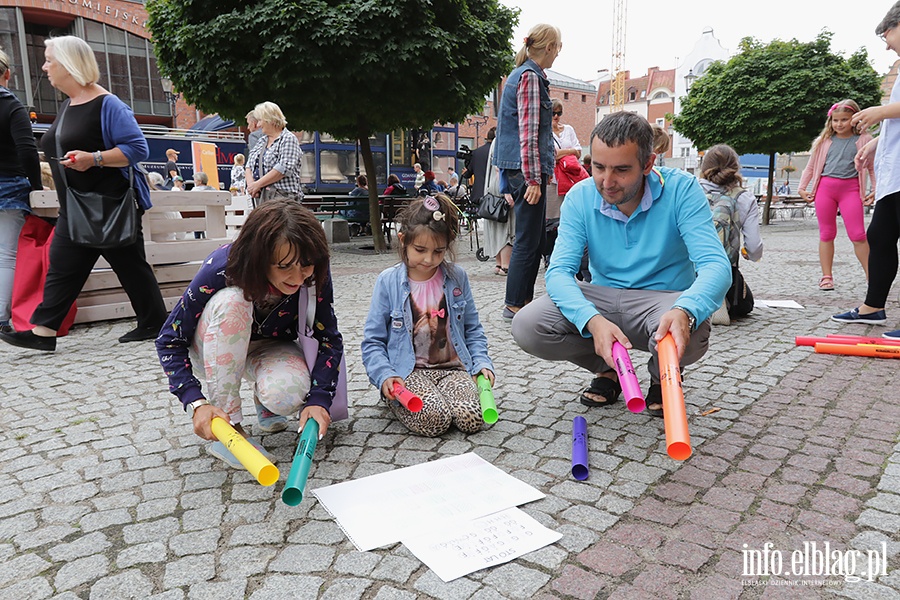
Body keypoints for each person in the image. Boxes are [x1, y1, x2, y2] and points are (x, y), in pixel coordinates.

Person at [511, 112, 730, 417]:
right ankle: (609, 369)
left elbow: (716, 265)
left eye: (622, 170)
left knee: (691, 333)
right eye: (598, 167)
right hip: (603, 298)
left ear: (649, 164)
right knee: (527, 325)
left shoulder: (682, 189)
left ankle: (661, 375)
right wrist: (592, 320)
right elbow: (559, 272)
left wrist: (686, 309)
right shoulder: (580, 196)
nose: (607, 181)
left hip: (663, 302)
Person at [0, 35, 167, 351]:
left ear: (68, 64)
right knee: (63, 266)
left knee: (131, 266)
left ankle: (154, 322)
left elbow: (137, 147)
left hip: (109, 204)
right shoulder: (67, 105)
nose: (45, 67)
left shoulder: (108, 104)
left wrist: (95, 159)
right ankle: (45, 331)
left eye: (50, 60)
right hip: (77, 205)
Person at [156, 199, 343, 466]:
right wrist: (195, 401)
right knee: (234, 302)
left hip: (268, 346)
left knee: (287, 392)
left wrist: (319, 399)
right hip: (214, 344)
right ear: (259, 258)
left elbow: (328, 339)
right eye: (284, 266)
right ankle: (230, 430)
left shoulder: (313, 275)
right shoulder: (222, 267)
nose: (298, 277)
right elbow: (170, 340)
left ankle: (265, 402)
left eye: (306, 264)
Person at [362, 193, 494, 436]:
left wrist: (482, 364)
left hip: (453, 369)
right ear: (403, 240)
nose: (429, 259)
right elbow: (373, 341)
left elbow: (473, 329)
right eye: (420, 249)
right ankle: (394, 403)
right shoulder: (389, 281)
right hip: (409, 372)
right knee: (434, 420)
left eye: (438, 251)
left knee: (472, 419)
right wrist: (385, 376)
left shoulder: (457, 277)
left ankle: (444, 398)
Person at [833, 2, 900, 337]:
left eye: (886, 34)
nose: (886, 43)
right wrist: (877, 142)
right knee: (880, 235)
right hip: (895, 172)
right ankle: (873, 307)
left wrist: (879, 111)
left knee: (881, 235)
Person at [493, 24, 561, 321]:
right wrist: (534, 178)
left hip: (519, 169)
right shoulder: (530, 78)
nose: (559, 52)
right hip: (527, 171)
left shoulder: (519, 75)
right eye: (559, 46)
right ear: (548, 47)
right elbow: (528, 132)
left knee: (530, 237)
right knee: (528, 239)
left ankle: (520, 301)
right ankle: (515, 304)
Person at [799, 99, 874, 291]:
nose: (839, 124)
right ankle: (826, 276)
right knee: (827, 233)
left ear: (854, 119)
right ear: (830, 121)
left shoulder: (864, 139)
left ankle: (872, 276)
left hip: (851, 190)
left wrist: (875, 189)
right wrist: (802, 187)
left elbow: (873, 167)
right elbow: (811, 166)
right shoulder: (824, 142)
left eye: (844, 120)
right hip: (825, 189)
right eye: (835, 120)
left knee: (858, 234)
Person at [0, 48, 43, 333]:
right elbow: (27, 150)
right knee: (6, 254)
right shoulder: (11, 104)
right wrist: (37, 188)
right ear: (7, 74)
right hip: (9, 186)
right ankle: (1, 318)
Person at [698, 144, 764, 325]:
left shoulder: (690, 190)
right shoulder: (744, 198)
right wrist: (750, 255)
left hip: (684, 270)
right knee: (746, 304)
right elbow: (754, 246)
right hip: (723, 272)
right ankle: (722, 302)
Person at [245, 101, 302, 205]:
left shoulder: (288, 139)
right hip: (262, 198)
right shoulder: (262, 141)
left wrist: (258, 184)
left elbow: (283, 168)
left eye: (260, 120)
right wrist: (252, 186)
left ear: (269, 120)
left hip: (282, 200)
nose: (258, 125)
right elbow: (249, 165)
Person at [481, 132, 515, 276]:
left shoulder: (496, 139)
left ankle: (499, 263)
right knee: (508, 227)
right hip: (503, 184)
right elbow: (500, 167)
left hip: (494, 185)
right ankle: (506, 266)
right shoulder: (506, 138)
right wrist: (506, 190)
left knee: (496, 222)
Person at [551, 97, 586, 200]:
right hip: (554, 182)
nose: (556, 116)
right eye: (553, 113)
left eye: (559, 113)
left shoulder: (568, 129)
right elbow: (550, 156)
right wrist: (572, 151)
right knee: (554, 214)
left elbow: (579, 152)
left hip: (571, 177)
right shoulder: (544, 132)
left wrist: (560, 154)